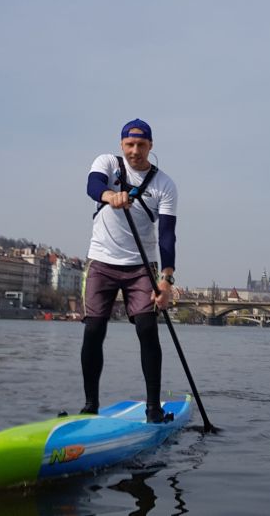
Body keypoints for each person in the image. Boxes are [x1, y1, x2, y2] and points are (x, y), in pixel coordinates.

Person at [82, 119, 178, 423]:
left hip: (141, 267)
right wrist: (110, 196)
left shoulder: (164, 185)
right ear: (122, 144)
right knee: (94, 331)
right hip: (102, 262)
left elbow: (166, 235)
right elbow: (93, 186)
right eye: (129, 145)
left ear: (150, 146)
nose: (135, 151)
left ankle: (153, 409)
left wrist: (166, 280)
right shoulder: (107, 163)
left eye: (141, 145)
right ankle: (90, 406)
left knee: (147, 330)